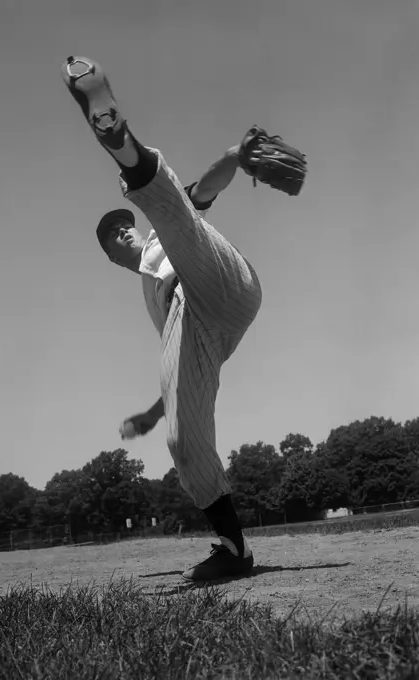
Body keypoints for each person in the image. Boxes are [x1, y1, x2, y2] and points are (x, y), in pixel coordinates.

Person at [61, 56, 263, 582]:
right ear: (110, 256)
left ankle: (119, 141)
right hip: (200, 327)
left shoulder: (160, 238)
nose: (124, 234)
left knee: (177, 213)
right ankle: (233, 549)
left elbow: (200, 193)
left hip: (217, 277)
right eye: (113, 235)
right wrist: (154, 415)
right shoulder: (154, 304)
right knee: (183, 440)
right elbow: (178, 370)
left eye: (124, 226)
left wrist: (235, 158)